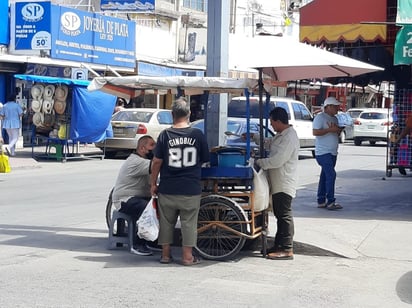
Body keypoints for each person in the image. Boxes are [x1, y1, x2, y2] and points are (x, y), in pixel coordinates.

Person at [150, 97, 209, 266]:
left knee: (166, 223)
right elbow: (205, 158)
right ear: (189, 114)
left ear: (171, 114)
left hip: (168, 187)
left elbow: (156, 162)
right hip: (190, 188)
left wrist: (153, 183)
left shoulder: (165, 135)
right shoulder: (197, 134)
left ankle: (166, 256)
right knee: (189, 223)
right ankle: (187, 257)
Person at [250, 107, 300, 260]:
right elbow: (269, 142)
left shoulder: (289, 138)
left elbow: (278, 160)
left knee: (284, 215)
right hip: (278, 182)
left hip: (284, 182)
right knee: (279, 214)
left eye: (272, 122)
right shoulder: (281, 135)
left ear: (278, 121)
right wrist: (254, 136)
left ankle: (286, 248)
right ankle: (279, 245)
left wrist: (259, 162)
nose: (271, 125)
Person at [112, 135, 156, 256]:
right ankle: (137, 244)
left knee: (158, 205)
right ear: (142, 148)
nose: (154, 148)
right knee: (146, 208)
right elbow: (156, 165)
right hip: (125, 199)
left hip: (137, 196)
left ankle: (151, 240)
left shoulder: (143, 161)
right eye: (152, 145)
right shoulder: (137, 162)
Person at [312, 97, 343, 210]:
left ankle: (321, 200)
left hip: (332, 152)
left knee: (325, 175)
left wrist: (338, 130)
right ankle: (330, 201)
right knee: (331, 175)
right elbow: (315, 132)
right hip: (323, 152)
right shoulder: (320, 118)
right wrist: (330, 130)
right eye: (335, 106)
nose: (337, 108)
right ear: (328, 106)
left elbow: (335, 133)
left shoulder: (335, 119)